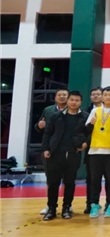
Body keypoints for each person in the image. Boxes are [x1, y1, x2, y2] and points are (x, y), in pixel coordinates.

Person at [42, 91, 89, 221]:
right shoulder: (56, 116)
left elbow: (89, 133)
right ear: (68, 101)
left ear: (80, 102)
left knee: (69, 182)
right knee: (53, 182)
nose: (74, 102)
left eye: (77, 100)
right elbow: (47, 133)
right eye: (72, 100)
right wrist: (45, 149)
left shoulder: (85, 117)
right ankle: (51, 208)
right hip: (56, 153)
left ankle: (67, 207)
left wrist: (85, 143)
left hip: (73, 153)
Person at [86, 86, 110, 218]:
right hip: (95, 151)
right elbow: (86, 130)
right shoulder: (95, 110)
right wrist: (91, 124)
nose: (108, 97)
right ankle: (94, 204)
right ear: (102, 97)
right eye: (105, 95)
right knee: (95, 180)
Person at [36, 87, 69, 216]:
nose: (62, 97)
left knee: (68, 179)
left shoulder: (73, 110)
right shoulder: (48, 110)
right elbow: (39, 127)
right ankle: (50, 205)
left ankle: (67, 205)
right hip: (50, 149)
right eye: (59, 95)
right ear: (55, 97)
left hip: (67, 149)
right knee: (51, 179)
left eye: (64, 95)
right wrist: (39, 126)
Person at [82, 87, 103, 213]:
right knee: (92, 179)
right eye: (93, 94)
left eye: (98, 94)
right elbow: (83, 131)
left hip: (108, 149)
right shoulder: (85, 112)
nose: (95, 96)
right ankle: (90, 203)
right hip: (92, 149)